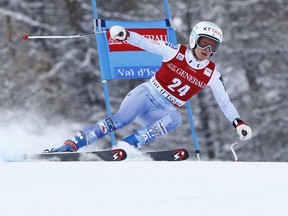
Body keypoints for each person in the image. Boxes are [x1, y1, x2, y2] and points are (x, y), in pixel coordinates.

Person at [48, 21, 252, 152]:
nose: (207, 49)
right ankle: (73, 143)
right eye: (204, 43)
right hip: (146, 94)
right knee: (122, 119)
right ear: (193, 40)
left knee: (175, 119)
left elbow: (225, 102)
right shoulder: (176, 52)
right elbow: (148, 43)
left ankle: (125, 147)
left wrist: (238, 122)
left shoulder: (212, 74)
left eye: (213, 46)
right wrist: (125, 35)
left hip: (162, 109)